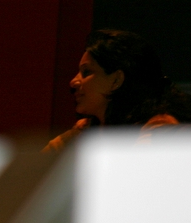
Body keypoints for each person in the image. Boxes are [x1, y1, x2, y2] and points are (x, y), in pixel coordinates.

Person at [43, 29, 191, 152]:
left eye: (86, 72)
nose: (73, 82)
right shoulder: (86, 129)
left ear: (117, 80)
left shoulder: (161, 129)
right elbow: (40, 166)